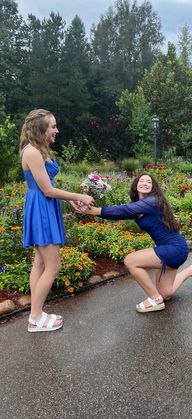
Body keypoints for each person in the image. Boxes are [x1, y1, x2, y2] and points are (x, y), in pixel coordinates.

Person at [72, 173, 192, 313]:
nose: (145, 183)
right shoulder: (140, 206)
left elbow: (124, 210)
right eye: (142, 181)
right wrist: (85, 207)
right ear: (136, 185)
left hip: (174, 248)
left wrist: (92, 211)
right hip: (168, 249)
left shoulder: (154, 201)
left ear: (153, 187)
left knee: (130, 260)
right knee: (166, 293)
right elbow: (119, 213)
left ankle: (154, 300)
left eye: (149, 182)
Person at [19, 109, 94, 332]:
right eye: (53, 126)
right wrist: (78, 196)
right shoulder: (32, 152)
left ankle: (37, 313)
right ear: (40, 129)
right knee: (53, 266)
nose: (56, 130)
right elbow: (47, 190)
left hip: (44, 206)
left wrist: (68, 201)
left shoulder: (39, 149)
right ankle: (34, 318)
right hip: (42, 210)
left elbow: (48, 189)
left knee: (40, 263)